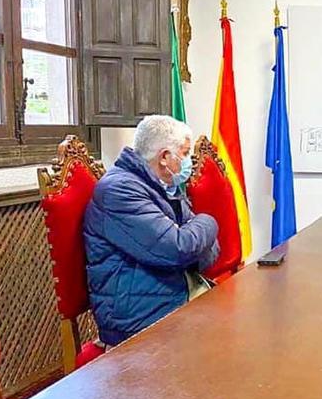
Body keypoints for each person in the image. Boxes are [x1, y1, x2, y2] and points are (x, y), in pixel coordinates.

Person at [84, 115, 220, 347]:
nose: (190, 162)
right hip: (140, 319)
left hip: (172, 296)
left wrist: (192, 244)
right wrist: (209, 220)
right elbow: (179, 248)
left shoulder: (160, 185)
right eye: (185, 154)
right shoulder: (120, 190)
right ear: (165, 157)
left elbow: (206, 250)